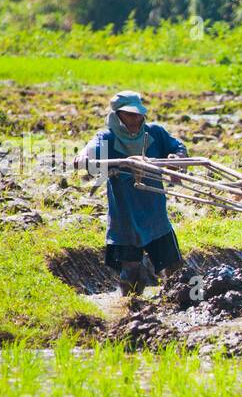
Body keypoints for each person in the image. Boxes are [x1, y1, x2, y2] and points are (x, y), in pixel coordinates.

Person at [74, 91, 188, 295]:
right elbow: (91, 151)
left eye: (138, 114)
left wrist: (176, 157)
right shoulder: (107, 138)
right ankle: (129, 311)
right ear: (117, 116)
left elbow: (178, 147)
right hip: (125, 217)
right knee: (132, 275)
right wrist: (84, 156)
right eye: (129, 115)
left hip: (155, 215)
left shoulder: (155, 133)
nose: (136, 119)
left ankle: (185, 302)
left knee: (175, 268)